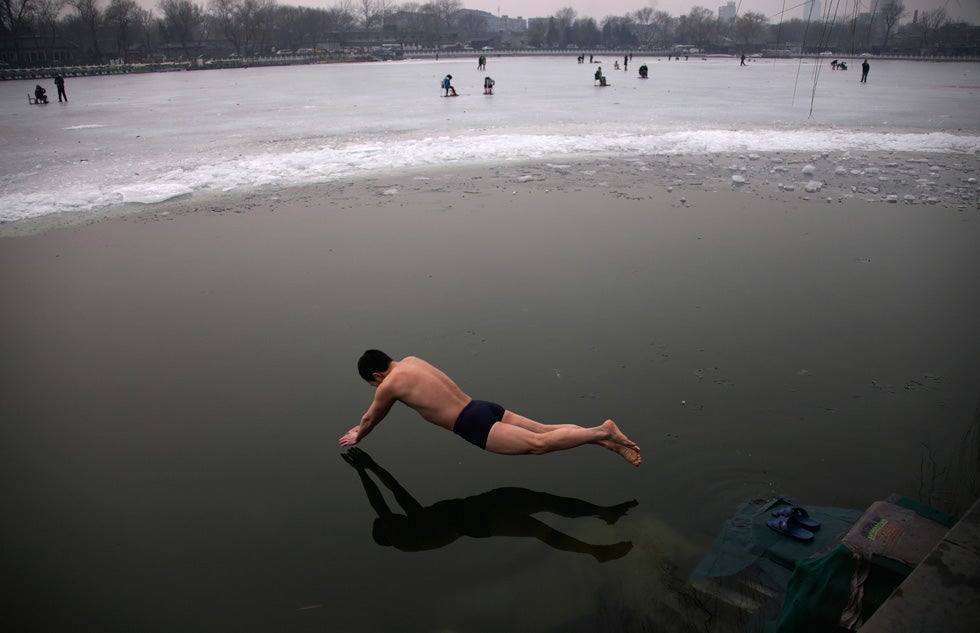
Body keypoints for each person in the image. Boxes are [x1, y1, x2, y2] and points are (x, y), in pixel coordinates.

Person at [339, 351, 642, 466]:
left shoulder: (390, 384)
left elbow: (371, 417)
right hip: (482, 406)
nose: (377, 390)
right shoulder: (411, 361)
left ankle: (601, 431)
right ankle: (607, 441)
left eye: (373, 385)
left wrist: (359, 435)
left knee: (538, 445)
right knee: (545, 430)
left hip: (472, 424)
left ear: (377, 376)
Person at [343, 447, 637, 561]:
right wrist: (364, 470)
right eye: (387, 520)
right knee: (538, 527)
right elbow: (382, 502)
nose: (390, 517)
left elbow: (395, 492)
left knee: (545, 501)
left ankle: (604, 513)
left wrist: (371, 467)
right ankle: (595, 550)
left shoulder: (413, 521)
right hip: (478, 521)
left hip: (478, 506)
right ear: (386, 531)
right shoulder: (402, 536)